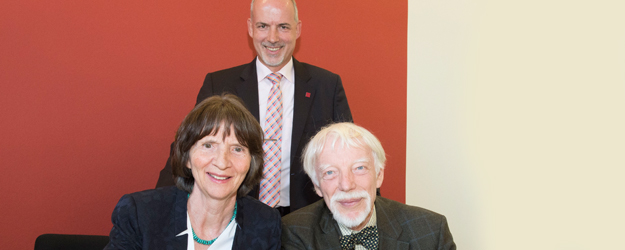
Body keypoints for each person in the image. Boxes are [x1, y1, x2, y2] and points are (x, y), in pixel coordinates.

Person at [156, 0, 353, 216]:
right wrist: (159, 214)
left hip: (305, 220)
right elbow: (187, 149)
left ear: (298, 30)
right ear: (250, 28)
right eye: (263, 26)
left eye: (283, 27)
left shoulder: (327, 86)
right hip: (235, 215)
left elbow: (351, 154)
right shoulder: (219, 84)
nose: (272, 38)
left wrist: (373, 216)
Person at [106, 94, 281, 250]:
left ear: (252, 162)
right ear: (187, 157)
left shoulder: (266, 224)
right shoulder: (139, 215)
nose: (222, 162)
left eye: (237, 149)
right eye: (208, 146)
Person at [281, 123, 456, 250]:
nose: (347, 185)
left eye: (359, 168)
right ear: (317, 186)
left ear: (379, 175)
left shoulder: (430, 230)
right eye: (330, 172)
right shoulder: (295, 232)